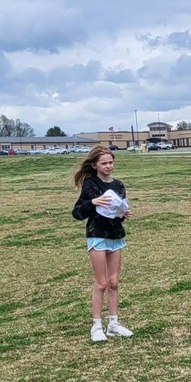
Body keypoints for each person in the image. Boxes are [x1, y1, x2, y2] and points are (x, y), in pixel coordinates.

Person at [72, 145, 133, 343]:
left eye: (111, 162)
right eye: (104, 163)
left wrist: (124, 214)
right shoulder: (91, 184)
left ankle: (113, 324)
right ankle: (96, 325)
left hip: (116, 236)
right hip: (97, 235)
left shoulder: (119, 185)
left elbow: (117, 211)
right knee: (102, 283)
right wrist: (93, 203)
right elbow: (78, 212)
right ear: (95, 165)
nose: (108, 166)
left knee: (114, 282)